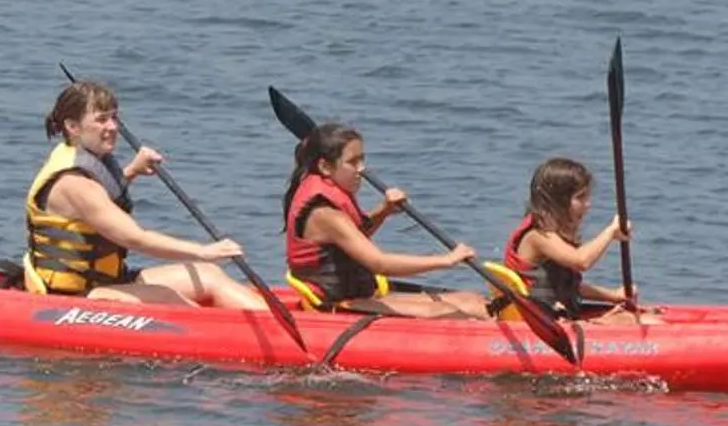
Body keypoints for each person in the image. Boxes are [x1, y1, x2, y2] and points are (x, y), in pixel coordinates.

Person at [25, 80, 268, 311]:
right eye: (101, 120)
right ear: (72, 127)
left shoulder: (86, 165)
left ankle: (277, 324)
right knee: (165, 296)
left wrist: (131, 171)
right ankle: (231, 333)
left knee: (208, 274)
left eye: (114, 117)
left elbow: (100, 201)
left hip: (109, 281)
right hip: (75, 295)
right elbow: (135, 238)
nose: (113, 127)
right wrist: (203, 252)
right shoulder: (74, 183)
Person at [282, 121, 488, 318]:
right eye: (353, 162)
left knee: (474, 302)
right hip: (337, 303)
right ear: (325, 167)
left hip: (359, 293)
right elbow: (379, 263)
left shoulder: (331, 196)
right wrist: (446, 260)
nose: (362, 169)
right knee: (446, 312)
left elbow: (354, 237)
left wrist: (384, 210)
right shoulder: (324, 213)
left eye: (362, 160)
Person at [502, 156, 645, 321]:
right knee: (636, 321)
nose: (588, 204)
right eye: (580, 197)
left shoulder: (554, 236)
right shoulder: (538, 236)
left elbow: (569, 287)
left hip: (557, 317)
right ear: (558, 200)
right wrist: (611, 232)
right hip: (543, 324)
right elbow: (581, 261)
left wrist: (613, 295)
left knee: (640, 318)